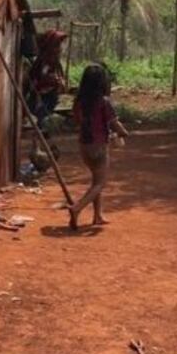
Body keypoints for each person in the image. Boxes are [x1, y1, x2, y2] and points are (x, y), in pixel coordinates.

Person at [68, 64, 130, 230]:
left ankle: (97, 216)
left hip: (84, 145)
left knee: (96, 180)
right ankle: (77, 208)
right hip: (99, 145)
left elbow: (77, 121)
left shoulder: (79, 101)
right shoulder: (103, 102)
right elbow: (114, 123)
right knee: (100, 183)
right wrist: (123, 132)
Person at [27, 30, 68, 136]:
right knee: (42, 116)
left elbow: (61, 78)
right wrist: (49, 80)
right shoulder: (42, 63)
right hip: (40, 98)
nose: (60, 48)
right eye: (57, 45)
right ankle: (40, 134)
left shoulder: (55, 62)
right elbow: (34, 82)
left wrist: (60, 82)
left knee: (46, 116)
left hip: (51, 96)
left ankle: (43, 132)